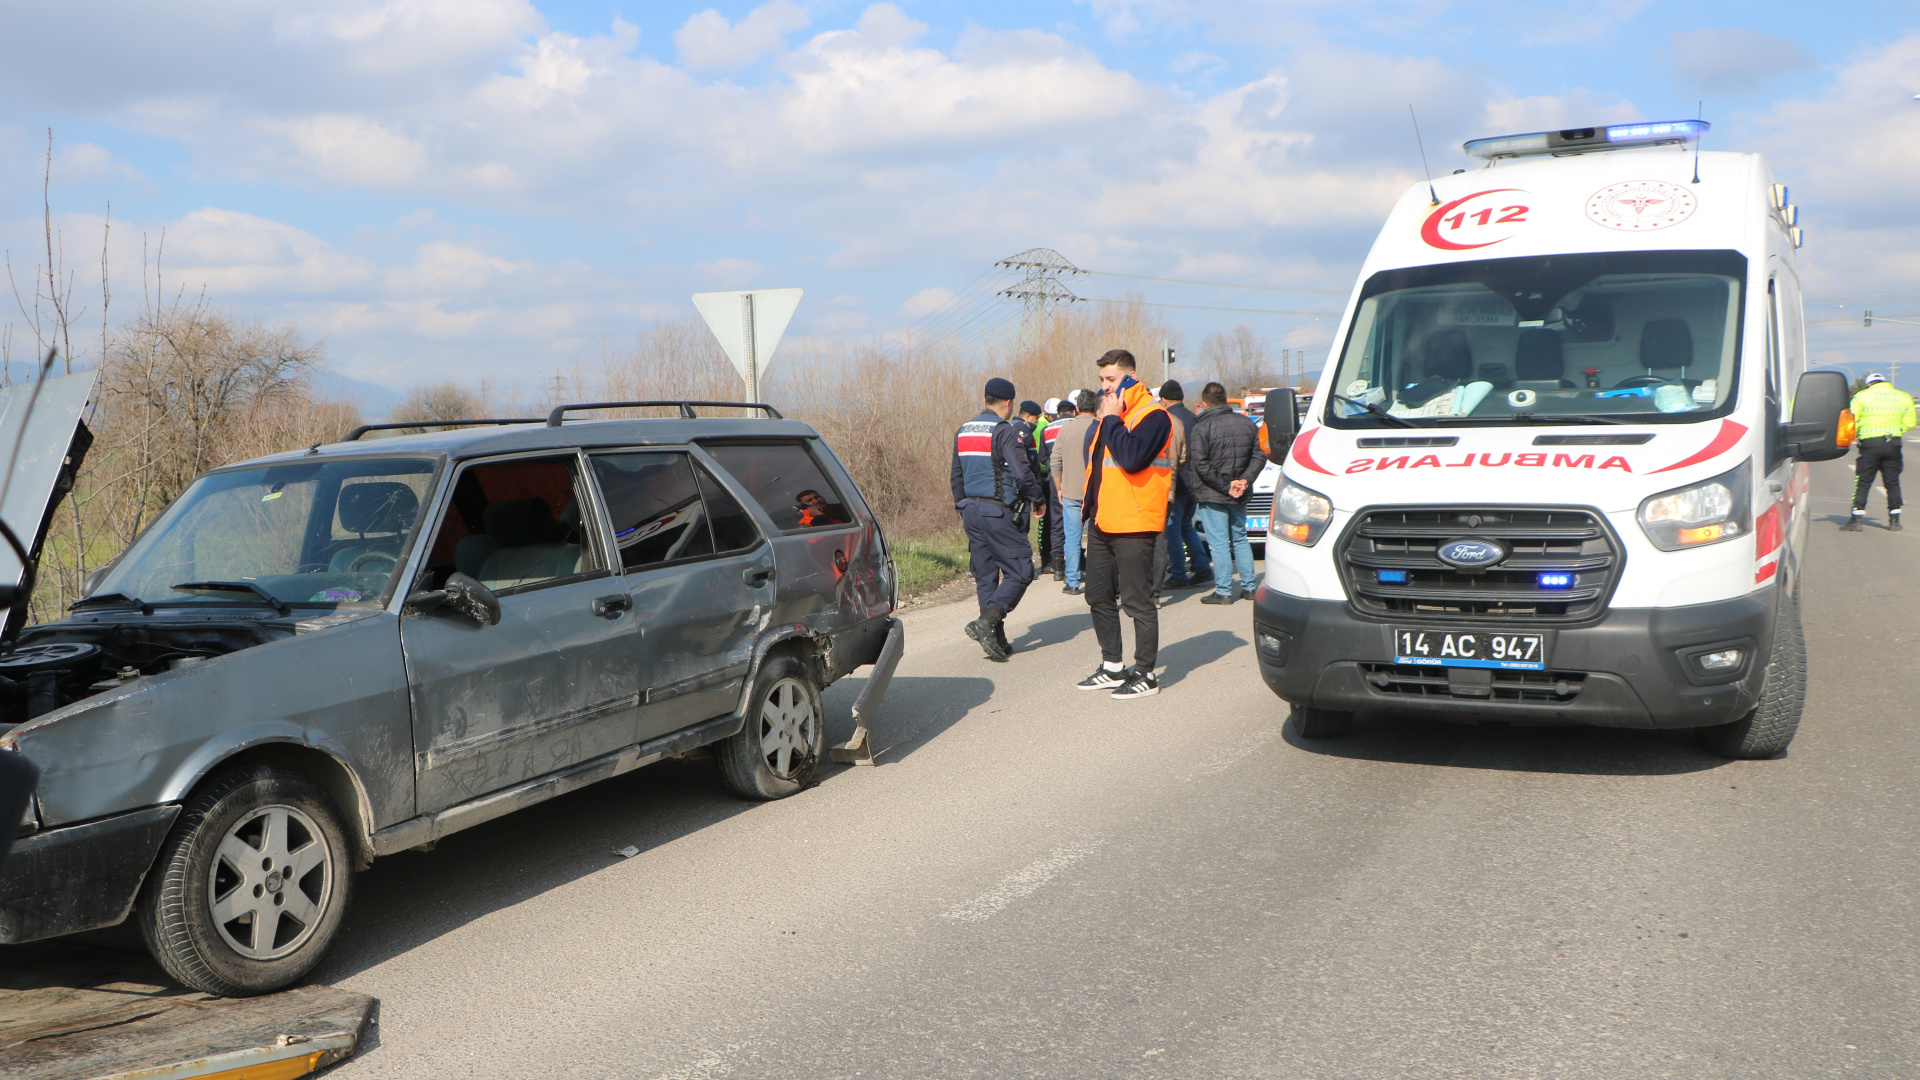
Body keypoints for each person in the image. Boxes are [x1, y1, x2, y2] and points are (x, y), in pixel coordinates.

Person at [1078, 350, 1174, 700]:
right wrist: (1088, 510)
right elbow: (1100, 468)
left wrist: (1113, 420)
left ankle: (1146, 674)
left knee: (1136, 601)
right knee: (1097, 595)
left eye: (1112, 379)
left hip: (1135, 522)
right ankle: (1113, 666)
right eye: (1102, 379)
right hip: (1103, 520)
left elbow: (1132, 460)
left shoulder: (1153, 415)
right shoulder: (1111, 414)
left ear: (1131, 377)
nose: (1105, 386)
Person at [952, 378, 1046, 660]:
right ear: (1009, 403)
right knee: (1021, 570)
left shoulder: (963, 430)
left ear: (985, 400)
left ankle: (996, 639)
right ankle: (985, 623)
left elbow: (956, 476)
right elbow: (1022, 473)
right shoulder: (1004, 431)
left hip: (971, 511)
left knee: (986, 577)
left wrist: (963, 508)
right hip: (997, 512)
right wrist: (1038, 498)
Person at [1187, 381, 1267, 603]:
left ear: (1204, 403)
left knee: (1219, 543)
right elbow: (1259, 455)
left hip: (1213, 493)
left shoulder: (1201, 427)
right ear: (1225, 400)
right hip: (1239, 493)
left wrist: (1226, 486)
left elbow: (1200, 464)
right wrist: (1245, 480)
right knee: (1240, 538)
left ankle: (1223, 591)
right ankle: (1249, 588)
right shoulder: (1247, 423)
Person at [1844, 371, 1918, 531]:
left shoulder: (1861, 397)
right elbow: (1911, 421)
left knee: (1863, 482)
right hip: (1893, 443)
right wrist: (1897, 430)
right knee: (1892, 482)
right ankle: (1894, 521)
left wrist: (1858, 434)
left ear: (1869, 384)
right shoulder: (1903, 396)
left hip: (1870, 444)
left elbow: (1852, 420)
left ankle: (1856, 520)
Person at [1157, 381, 1212, 591]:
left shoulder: (1168, 420)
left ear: (1163, 400)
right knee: (1186, 526)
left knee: (1172, 528)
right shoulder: (1194, 418)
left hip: (1177, 483)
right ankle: (1202, 567)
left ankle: (1179, 574)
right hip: (1194, 483)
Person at [1051, 390, 1098, 595]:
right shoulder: (1100, 427)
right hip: (1095, 493)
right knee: (1097, 540)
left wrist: (1059, 487)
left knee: (1071, 539)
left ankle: (1072, 582)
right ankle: (1098, 581)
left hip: (1070, 492)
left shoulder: (1065, 429)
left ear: (1077, 408)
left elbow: (1055, 460)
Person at [1014, 400, 1051, 573]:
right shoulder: (1024, 431)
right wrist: (1036, 493)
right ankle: (1023, 569)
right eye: (1036, 418)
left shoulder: (1008, 426)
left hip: (1009, 490)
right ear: (1028, 416)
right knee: (1021, 529)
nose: (1036, 422)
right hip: (1022, 490)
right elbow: (1028, 465)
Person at [1041, 397, 1075, 580]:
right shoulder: (1077, 424)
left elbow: (1042, 458)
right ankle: (1076, 563)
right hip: (1076, 477)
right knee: (1077, 520)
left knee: (1056, 521)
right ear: (1074, 411)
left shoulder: (1047, 429)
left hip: (1055, 480)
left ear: (1057, 413)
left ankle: (1057, 567)